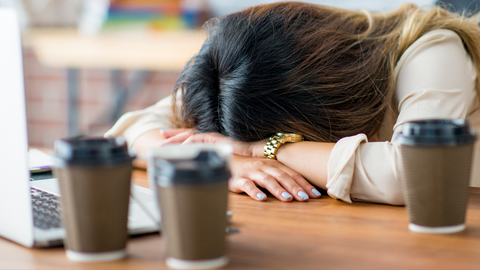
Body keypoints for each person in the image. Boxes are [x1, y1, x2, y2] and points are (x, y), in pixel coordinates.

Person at [105, 2, 480, 205]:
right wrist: (225, 160)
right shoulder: (234, 72)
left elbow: (416, 175)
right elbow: (134, 131)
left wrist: (258, 149)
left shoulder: (432, 49)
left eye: (282, 134)